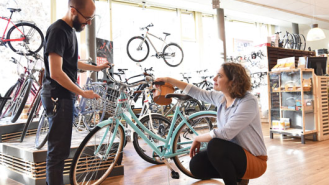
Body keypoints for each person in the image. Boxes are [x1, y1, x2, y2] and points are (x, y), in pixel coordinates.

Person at [156, 62, 267, 185]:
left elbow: (225, 133)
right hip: (234, 155)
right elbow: (196, 92)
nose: (214, 78)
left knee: (215, 144)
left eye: (219, 76)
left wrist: (199, 138)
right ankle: (239, 178)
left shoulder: (248, 101)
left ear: (232, 81)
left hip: (255, 160)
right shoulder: (221, 98)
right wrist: (168, 80)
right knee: (196, 165)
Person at [41, 0, 111, 184]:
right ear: (73, 11)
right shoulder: (58, 31)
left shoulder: (70, 31)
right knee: (57, 152)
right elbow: (56, 72)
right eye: (87, 18)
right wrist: (82, 92)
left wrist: (96, 68)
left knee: (60, 150)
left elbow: (72, 62)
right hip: (58, 96)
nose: (88, 23)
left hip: (64, 97)